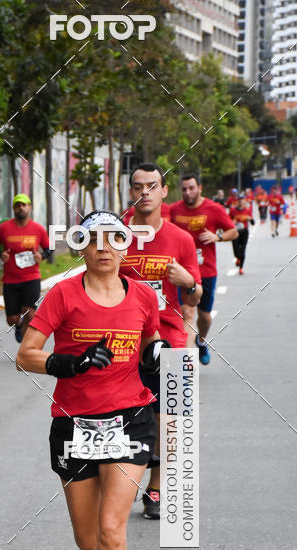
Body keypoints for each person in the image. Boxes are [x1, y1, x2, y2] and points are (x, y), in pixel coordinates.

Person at [16, 211, 167, 550]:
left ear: (126, 247)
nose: (104, 247)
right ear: (81, 247)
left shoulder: (143, 294)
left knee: (112, 529)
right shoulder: (63, 294)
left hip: (129, 421)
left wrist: (157, 355)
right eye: (94, 239)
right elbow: (26, 356)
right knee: (90, 538)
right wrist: (70, 363)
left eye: (113, 239)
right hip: (75, 424)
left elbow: (150, 338)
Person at [120, 163, 201, 519]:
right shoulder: (117, 238)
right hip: (123, 341)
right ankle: (120, 482)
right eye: (138, 187)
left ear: (164, 191)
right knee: (122, 416)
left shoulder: (181, 239)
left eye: (152, 186)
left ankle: (155, 489)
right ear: (131, 192)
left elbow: (195, 298)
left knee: (170, 419)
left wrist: (187, 281)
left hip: (169, 338)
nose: (145, 193)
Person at [169, 173, 237, 365]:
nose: (187, 192)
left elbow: (233, 231)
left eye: (191, 188)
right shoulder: (175, 210)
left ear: (200, 188)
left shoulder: (213, 209)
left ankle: (201, 340)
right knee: (187, 311)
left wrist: (218, 237)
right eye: (184, 189)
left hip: (206, 271)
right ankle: (185, 362)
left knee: (204, 316)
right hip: (182, 272)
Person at [0, 194, 51, 343]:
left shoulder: (38, 229)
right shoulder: (4, 228)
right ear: (14, 208)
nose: (21, 208)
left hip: (31, 277)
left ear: (29, 207)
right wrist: (0, 254)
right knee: (12, 318)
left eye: (24, 205)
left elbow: (49, 248)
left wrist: (42, 256)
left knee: (29, 312)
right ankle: (19, 325)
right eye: (18, 205)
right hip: (11, 279)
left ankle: (27, 344)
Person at [229, 194, 255, 274]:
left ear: (244, 201)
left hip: (244, 232)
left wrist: (250, 219)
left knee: (243, 250)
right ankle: (238, 258)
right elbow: (227, 221)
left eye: (242, 200)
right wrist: (232, 222)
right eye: (239, 200)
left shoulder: (247, 211)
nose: (241, 201)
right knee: (236, 251)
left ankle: (241, 268)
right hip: (235, 232)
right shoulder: (233, 211)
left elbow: (253, 223)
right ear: (237, 201)